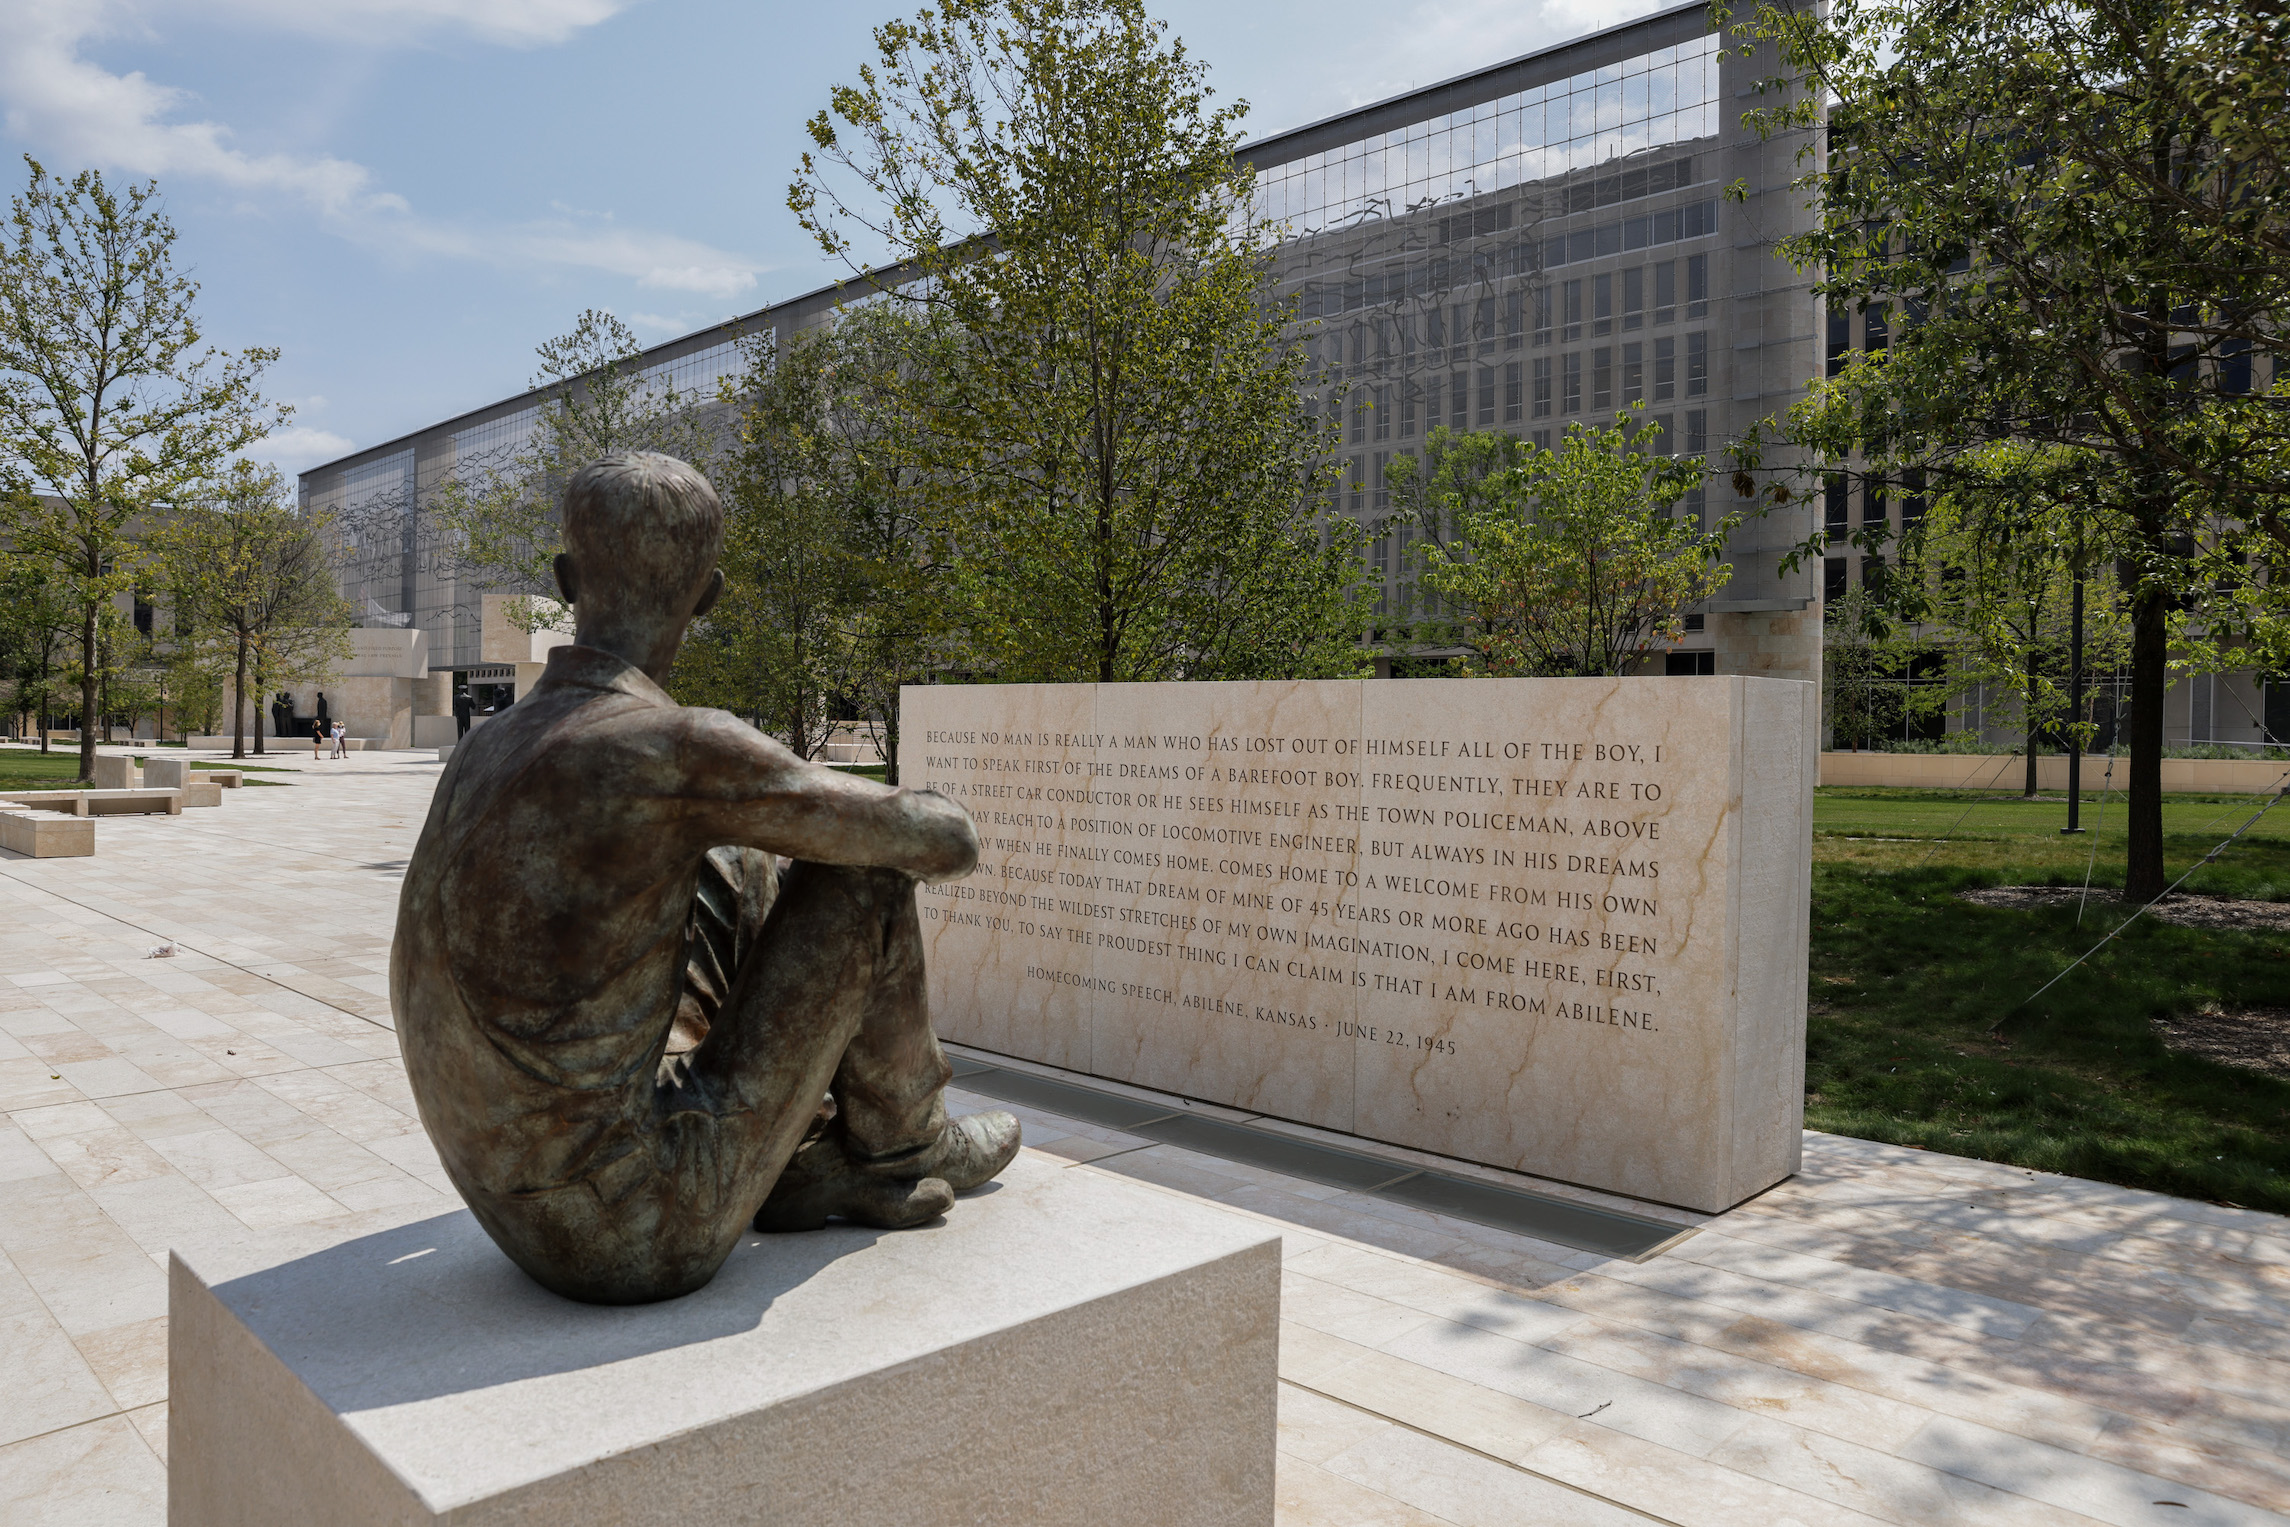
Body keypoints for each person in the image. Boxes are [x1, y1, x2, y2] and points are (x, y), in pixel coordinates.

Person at [391, 452, 1017, 1305]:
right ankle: (904, 1144)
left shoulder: (481, 750)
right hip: (637, 1228)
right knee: (862, 877)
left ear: (566, 580)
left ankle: (799, 1159)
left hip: (514, 1203)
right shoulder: (676, 748)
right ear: (708, 595)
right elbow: (947, 840)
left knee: (730, 853)